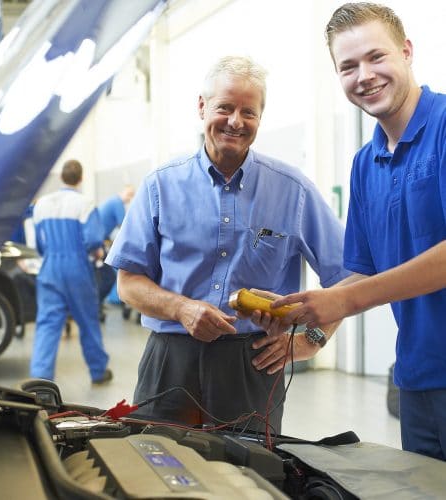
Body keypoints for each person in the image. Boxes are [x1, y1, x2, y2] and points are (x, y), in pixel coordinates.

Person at [106, 55, 349, 432]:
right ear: (202, 107)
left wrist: (312, 340)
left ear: (260, 119)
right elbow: (128, 283)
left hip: (252, 363)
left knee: (249, 478)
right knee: (158, 466)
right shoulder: (160, 187)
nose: (236, 121)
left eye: (248, 112)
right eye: (225, 107)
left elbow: (347, 278)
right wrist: (182, 308)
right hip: (171, 356)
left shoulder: (293, 190)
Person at [265, 3, 446, 460]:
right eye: (348, 66)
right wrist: (314, 330)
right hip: (418, 380)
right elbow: (363, 272)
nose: (364, 75)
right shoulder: (365, 165)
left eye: (376, 57)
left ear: (406, 52)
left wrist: (342, 299)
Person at [30, 159, 112, 384]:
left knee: (47, 322)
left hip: (49, 268)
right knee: (87, 320)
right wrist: (96, 252)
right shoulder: (84, 203)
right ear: (81, 178)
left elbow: (39, 243)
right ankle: (98, 372)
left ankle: (40, 376)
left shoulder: (41, 205)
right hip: (77, 268)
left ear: (61, 177)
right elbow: (94, 239)